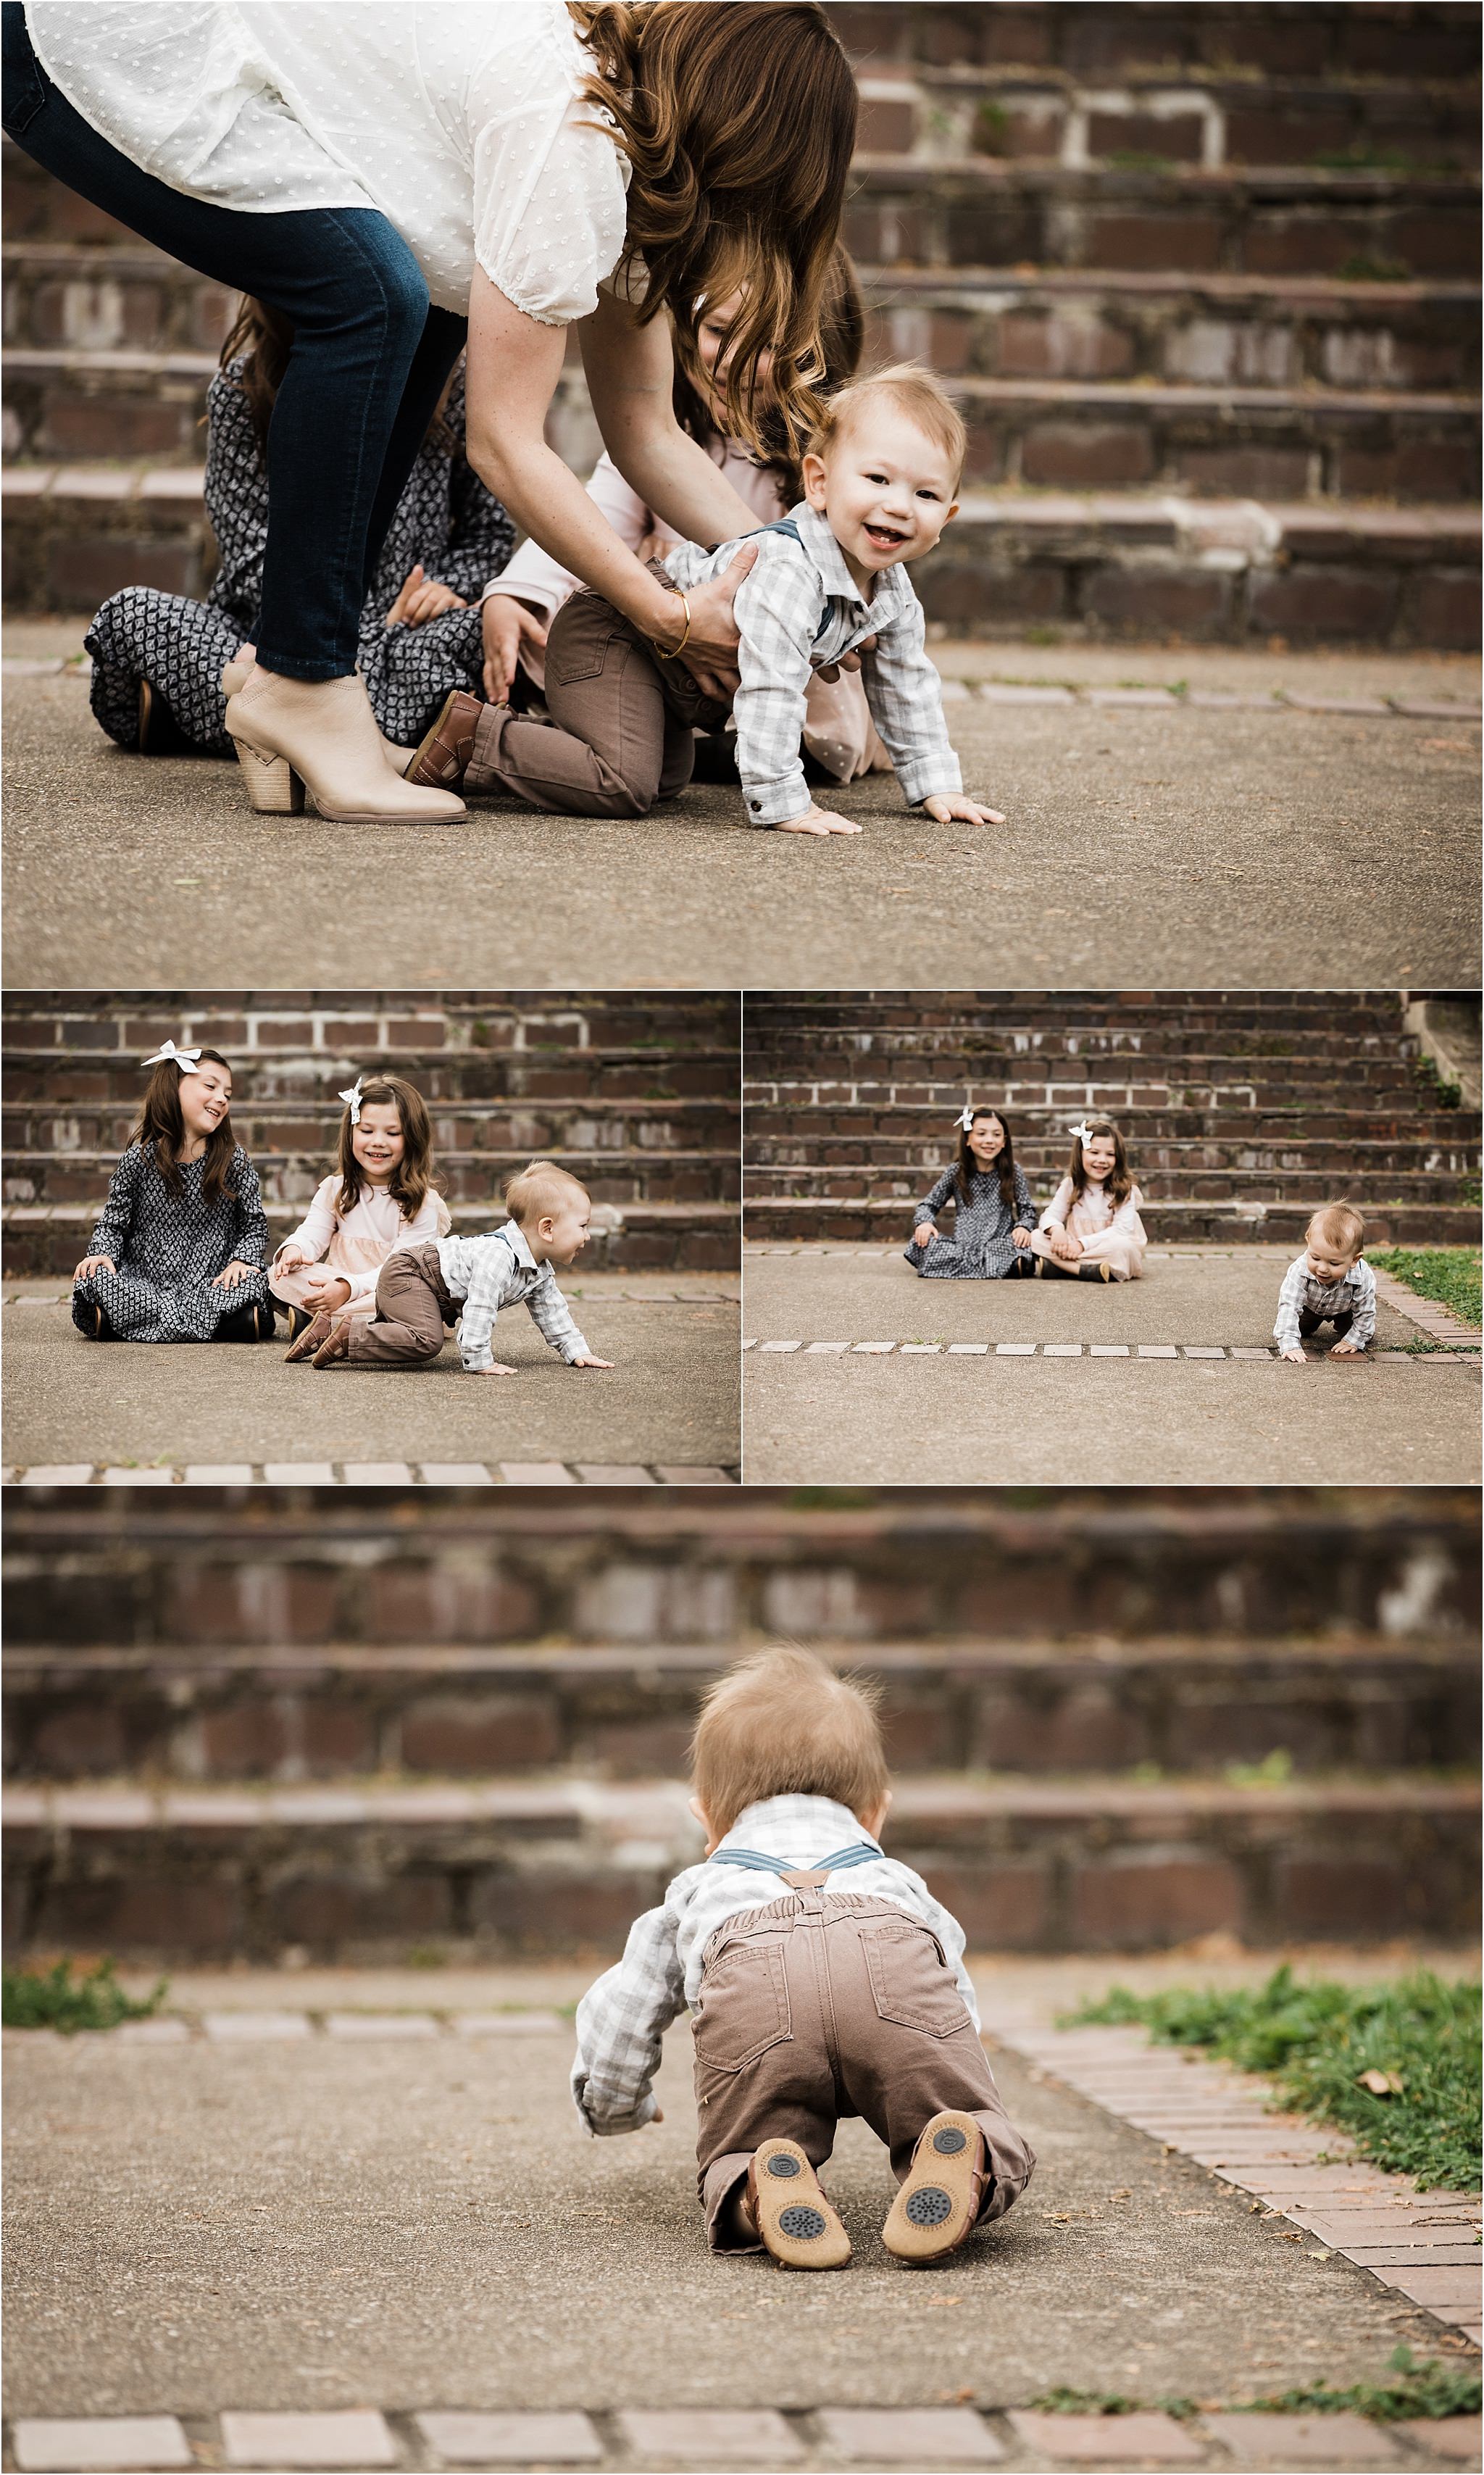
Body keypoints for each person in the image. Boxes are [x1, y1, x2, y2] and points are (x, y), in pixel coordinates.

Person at [5, 1, 857, 824]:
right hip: (118, 36)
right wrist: (669, 619)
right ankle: (300, 683)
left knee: (418, 300)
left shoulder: (636, 164)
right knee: (370, 296)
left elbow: (643, 428)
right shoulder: (576, 139)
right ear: (751, 166)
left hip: (217, 53)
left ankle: (291, 680)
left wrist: (807, 566)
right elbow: (502, 442)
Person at [570, 1645, 1035, 2268]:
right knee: (964, 2117)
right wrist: (956, 2077)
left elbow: (624, 2004)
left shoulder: (699, 1888)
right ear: (877, 1812)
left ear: (706, 1816)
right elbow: (951, 1991)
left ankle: (760, 2183)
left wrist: (614, 2105)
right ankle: (965, 2150)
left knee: (742, 2150)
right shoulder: (894, 1878)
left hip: (753, 1981)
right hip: (891, 1966)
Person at [425, 363, 1003, 836]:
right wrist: (784, 804)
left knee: (665, 782)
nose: (901, 505)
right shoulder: (791, 570)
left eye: (925, 493)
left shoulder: (893, 595)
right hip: (614, 632)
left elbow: (906, 682)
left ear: (946, 518)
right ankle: (468, 738)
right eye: (878, 480)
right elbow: (772, 686)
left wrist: (936, 784)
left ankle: (553, 737)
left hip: (664, 680)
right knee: (621, 783)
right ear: (820, 484)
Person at [413, 248, 891, 794]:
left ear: (820, 350)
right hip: (665, 660)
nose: (737, 360)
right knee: (579, 662)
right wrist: (514, 595)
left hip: (774, 683)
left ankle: (739, 744)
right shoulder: (662, 444)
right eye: (719, 330)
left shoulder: (836, 472)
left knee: (806, 741)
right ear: (686, 325)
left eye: (772, 344)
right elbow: (595, 516)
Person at [86, 301, 514, 762]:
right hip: (268, 642)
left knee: (505, 628)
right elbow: (250, 560)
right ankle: (383, 724)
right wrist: (360, 629)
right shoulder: (242, 390)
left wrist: (444, 589)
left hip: (411, 630)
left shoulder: (447, 385)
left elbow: (489, 535)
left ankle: (262, 729)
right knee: (133, 615)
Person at [309, 1160, 613, 1374]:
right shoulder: (499, 1257)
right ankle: (346, 1332)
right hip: (411, 1271)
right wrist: (480, 1360)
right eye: (583, 1226)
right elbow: (480, 1309)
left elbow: (552, 1312)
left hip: (424, 1285)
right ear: (547, 1228)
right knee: (425, 1341)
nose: (586, 1236)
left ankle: (329, 1331)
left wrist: (577, 1352)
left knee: (411, 1338)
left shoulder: (539, 1269)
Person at [71, 1042, 273, 1343]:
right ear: (174, 1087)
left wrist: (241, 1262)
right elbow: (113, 1223)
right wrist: (102, 1253)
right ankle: (224, 1324)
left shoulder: (234, 1160)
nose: (221, 1099)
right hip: (145, 1281)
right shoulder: (137, 1162)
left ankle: (127, 1323)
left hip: (212, 1281)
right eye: (211, 1086)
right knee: (94, 1279)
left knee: (254, 1282)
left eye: (228, 1095)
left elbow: (254, 1226)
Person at [271, 1074, 450, 1360]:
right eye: (367, 1130)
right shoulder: (336, 1189)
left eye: (392, 1134)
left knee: (409, 1304)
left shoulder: (423, 1203)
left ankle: (324, 1321)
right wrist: (296, 1250)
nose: (378, 1142)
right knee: (282, 1274)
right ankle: (332, 1321)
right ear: (351, 1132)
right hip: (336, 1283)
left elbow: (400, 1269)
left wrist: (349, 1288)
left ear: (412, 1139)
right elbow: (313, 1231)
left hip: (390, 1292)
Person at [906, 1108, 1037, 1281]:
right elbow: (929, 1204)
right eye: (981, 1134)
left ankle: (991, 1265)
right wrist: (924, 1223)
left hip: (1000, 1244)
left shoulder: (1013, 1171)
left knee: (1027, 1244)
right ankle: (998, 1268)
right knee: (921, 1244)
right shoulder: (956, 1171)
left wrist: (1023, 1227)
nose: (989, 1141)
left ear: (1004, 1141)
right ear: (968, 1139)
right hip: (964, 1246)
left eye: (996, 1135)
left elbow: (1027, 1210)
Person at [1030, 1118, 1146, 1284]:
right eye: (1094, 1152)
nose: (1102, 1160)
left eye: (1110, 1154)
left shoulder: (1124, 1190)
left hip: (1101, 1247)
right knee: (1036, 1237)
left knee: (1124, 1248)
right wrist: (1056, 1230)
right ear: (1080, 1153)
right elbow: (1050, 1215)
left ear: (1118, 1158)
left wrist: (1082, 1244)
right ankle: (1088, 1271)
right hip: (1071, 1248)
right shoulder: (1071, 1185)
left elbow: (1122, 1230)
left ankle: (1063, 1268)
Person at [1274, 1204, 1376, 1361]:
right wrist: (1289, 1344)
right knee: (1301, 1329)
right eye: (1315, 1258)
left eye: (1334, 1263)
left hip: (1345, 1311)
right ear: (1308, 1242)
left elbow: (1366, 1311)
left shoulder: (1362, 1275)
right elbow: (1290, 1306)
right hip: (1309, 1309)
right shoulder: (1299, 1269)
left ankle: (1345, 1329)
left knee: (1361, 1334)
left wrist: (1354, 1339)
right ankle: (1307, 1326)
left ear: (1354, 1259)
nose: (1322, 1269)